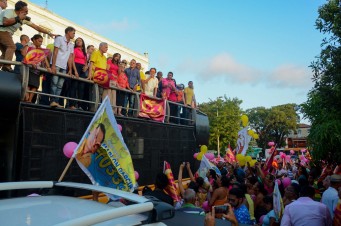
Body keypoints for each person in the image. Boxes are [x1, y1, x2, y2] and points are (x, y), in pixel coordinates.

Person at [0, 1, 55, 72]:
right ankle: (7, 66)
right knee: (12, 47)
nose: (27, 13)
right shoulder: (9, 12)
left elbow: (37, 27)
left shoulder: (24, 19)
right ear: (20, 10)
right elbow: (5, 22)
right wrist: (18, 18)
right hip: (2, 31)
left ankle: (3, 66)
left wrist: (49, 33)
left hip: (8, 34)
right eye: (26, 11)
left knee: (5, 53)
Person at [49, 26, 75, 108]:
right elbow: (55, 52)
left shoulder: (71, 44)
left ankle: (56, 102)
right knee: (54, 83)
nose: (74, 35)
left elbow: (70, 57)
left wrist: (70, 69)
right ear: (68, 32)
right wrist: (53, 65)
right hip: (56, 64)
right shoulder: (59, 39)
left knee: (60, 85)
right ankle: (52, 101)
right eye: (73, 33)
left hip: (64, 67)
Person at [21, 34, 51, 103]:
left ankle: (29, 100)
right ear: (34, 40)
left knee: (35, 85)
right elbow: (23, 53)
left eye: (41, 42)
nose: (40, 43)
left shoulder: (41, 49)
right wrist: (31, 62)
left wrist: (48, 67)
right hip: (28, 68)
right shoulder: (29, 45)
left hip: (37, 70)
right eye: (39, 41)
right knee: (28, 84)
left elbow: (44, 58)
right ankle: (25, 98)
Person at [68, 37, 86, 110]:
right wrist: (75, 71)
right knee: (74, 86)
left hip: (82, 69)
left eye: (80, 40)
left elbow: (86, 61)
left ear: (82, 42)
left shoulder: (84, 52)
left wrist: (86, 67)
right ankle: (72, 104)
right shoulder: (74, 49)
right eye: (77, 41)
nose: (78, 41)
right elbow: (72, 60)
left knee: (81, 88)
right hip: (76, 66)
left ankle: (80, 105)